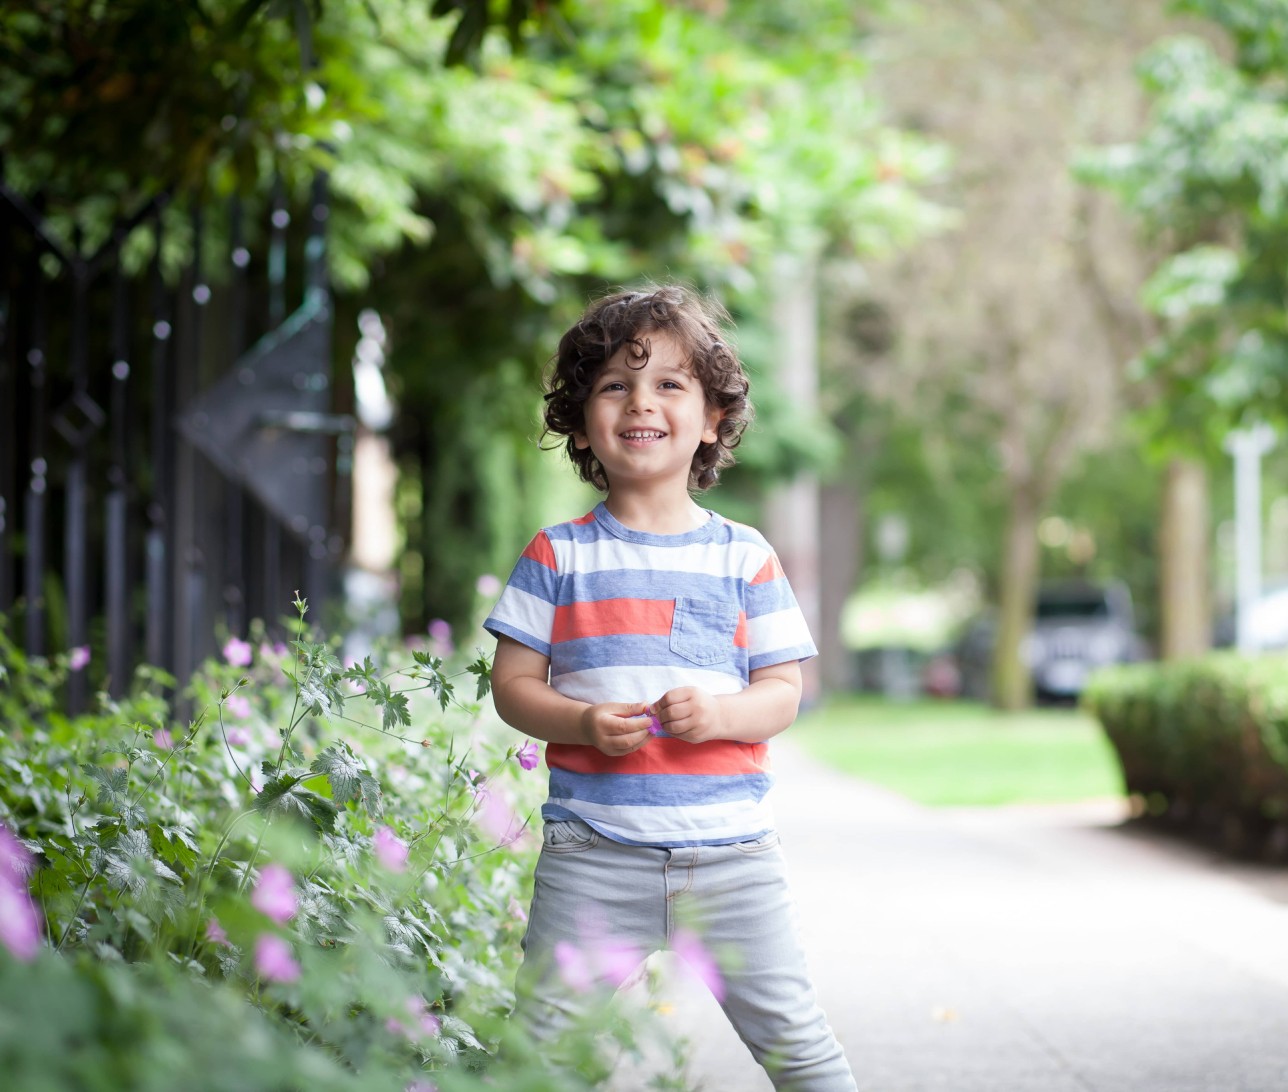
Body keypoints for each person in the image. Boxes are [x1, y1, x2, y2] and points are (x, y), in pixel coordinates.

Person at [485, 284, 856, 1090]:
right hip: (593, 859)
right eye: (614, 385)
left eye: (668, 384)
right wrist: (581, 720)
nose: (639, 401)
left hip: (732, 861)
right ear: (583, 421)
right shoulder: (557, 556)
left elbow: (783, 692)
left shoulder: (744, 556)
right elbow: (512, 686)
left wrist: (721, 713)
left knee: (798, 1045)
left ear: (712, 419)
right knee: (540, 1055)